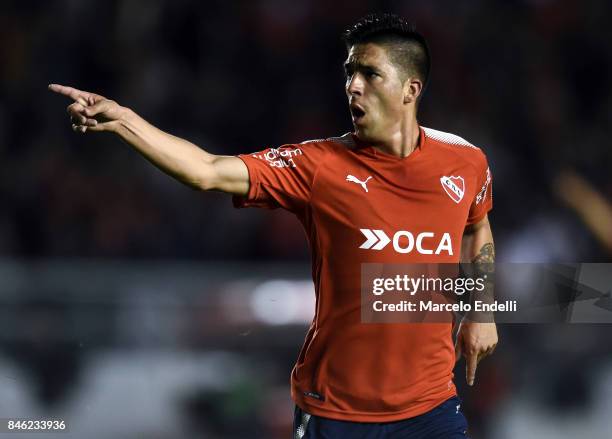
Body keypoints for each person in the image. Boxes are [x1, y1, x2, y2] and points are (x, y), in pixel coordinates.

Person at [50, 13, 497, 439]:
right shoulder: (318, 166)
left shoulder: (465, 162)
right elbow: (207, 170)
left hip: (430, 407)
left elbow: (476, 227)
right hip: (336, 410)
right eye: (349, 72)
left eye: (369, 74)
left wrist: (482, 310)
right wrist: (125, 121)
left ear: (410, 88)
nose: (352, 86)